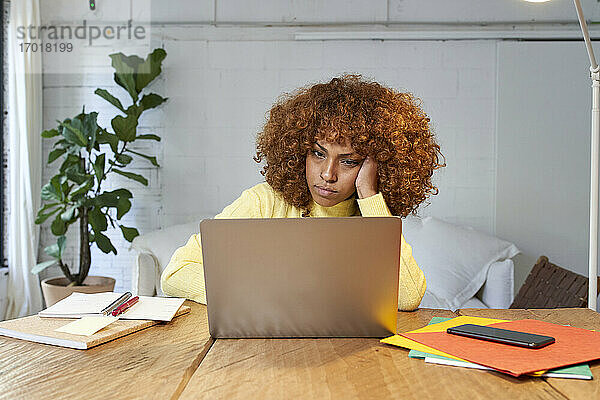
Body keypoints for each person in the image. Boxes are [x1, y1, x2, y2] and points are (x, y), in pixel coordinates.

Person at [160, 74, 445, 311]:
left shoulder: (372, 214)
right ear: (298, 152)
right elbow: (176, 273)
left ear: (374, 166)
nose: (327, 174)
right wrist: (263, 295)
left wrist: (370, 195)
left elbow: (407, 298)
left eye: (349, 161)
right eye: (318, 154)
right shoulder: (264, 203)